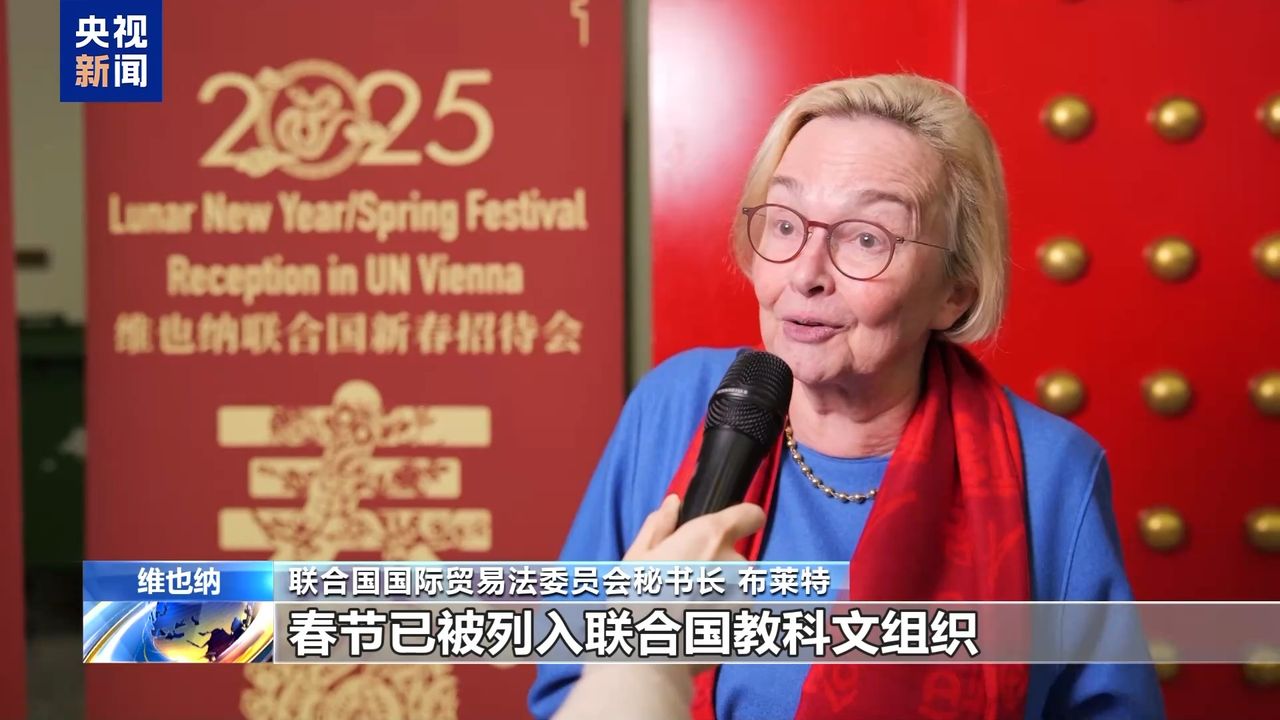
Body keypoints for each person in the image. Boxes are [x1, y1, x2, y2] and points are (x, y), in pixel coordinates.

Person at [529, 74, 1166, 719]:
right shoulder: (676, 403)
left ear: (955, 292)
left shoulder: (1051, 473)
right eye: (785, 224)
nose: (805, 274)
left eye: (866, 238)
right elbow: (565, 685)